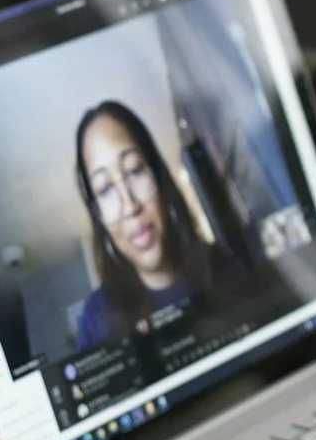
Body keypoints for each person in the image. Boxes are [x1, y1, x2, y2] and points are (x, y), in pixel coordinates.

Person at [71, 99, 226, 347]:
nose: (130, 206)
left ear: (158, 176)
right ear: (98, 216)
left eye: (134, 171)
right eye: (105, 189)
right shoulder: (97, 318)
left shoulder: (224, 264)